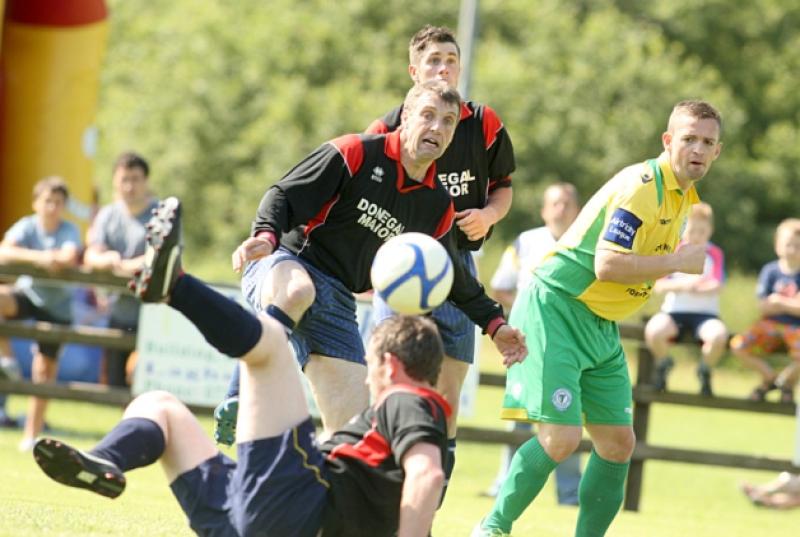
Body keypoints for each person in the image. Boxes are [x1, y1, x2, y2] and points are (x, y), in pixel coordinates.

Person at [34, 198, 451, 536]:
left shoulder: (409, 398)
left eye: (372, 363)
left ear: (391, 365)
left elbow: (428, 475)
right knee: (159, 408)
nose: (366, 374)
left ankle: (175, 286)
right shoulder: (387, 443)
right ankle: (106, 459)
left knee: (270, 342)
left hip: (297, 507)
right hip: (261, 519)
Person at [217, 81, 526, 446]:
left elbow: (455, 278)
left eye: (448, 122)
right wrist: (266, 236)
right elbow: (283, 194)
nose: (437, 128)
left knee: (353, 435)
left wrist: (494, 324)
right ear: (405, 118)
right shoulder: (356, 152)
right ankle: (240, 395)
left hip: (336, 299)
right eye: (427, 116)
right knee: (299, 290)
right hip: (286, 261)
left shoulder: (436, 206)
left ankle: (303, 487)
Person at [472, 100, 724, 537]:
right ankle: (491, 529)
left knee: (617, 444)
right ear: (668, 141)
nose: (697, 149)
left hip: (598, 322)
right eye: (689, 139)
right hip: (558, 308)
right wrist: (676, 262)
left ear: (717, 151)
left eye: (707, 142)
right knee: (561, 440)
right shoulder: (643, 185)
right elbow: (607, 264)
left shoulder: (685, 196)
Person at [366, 24, 516, 500]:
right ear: (414, 72)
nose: (443, 68)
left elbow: (504, 187)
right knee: (389, 385)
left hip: (458, 268)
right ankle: (378, 493)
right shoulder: (386, 126)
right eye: (433, 61)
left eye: (451, 60)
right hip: (400, 268)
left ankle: (427, 505)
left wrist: (489, 214)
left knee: (447, 399)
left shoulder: (482, 122)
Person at [483, 182, 582, 504]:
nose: (561, 209)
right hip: (526, 343)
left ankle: (569, 494)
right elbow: (500, 286)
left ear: (577, 210)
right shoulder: (525, 241)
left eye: (567, 203)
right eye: (554, 203)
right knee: (520, 418)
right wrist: (529, 309)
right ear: (543, 210)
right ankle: (504, 486)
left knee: (564, 415)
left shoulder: (586, 243)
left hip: (568, 344)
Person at [0, 177, 81, 451]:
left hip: (57, 308)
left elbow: (68, 256)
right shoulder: (26, 225)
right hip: (28, 295)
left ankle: (30, 435)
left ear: (64, 206)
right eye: (47, 201)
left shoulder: (69, 229)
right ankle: (6, 359)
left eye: (58, 202)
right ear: (36, 203)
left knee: (43, 372)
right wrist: (41, 259)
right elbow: (4, 250)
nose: (52, 207)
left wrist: (48, 258)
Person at [84, 152, 159, 387]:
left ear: (146, 181)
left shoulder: (162, 213)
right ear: (115, 182)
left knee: (147, 383)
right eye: (124, 179)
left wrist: (119, 264)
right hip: (117, 313)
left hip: (154, 313)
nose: (129, 186)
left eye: (135, 179)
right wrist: (107, 259)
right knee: (114, 384)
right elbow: (91, 254)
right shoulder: (108, 215)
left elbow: (159, 257)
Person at [646, 202, 729, 396]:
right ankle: (664, 363)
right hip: (674, 312)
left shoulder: (714, 253)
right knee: (653, 331)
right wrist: (685, 286)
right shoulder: (673, 250)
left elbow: (717, 284)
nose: (697, 235)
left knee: (718, 336)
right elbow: (659, 285)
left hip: (705, 314)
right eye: (692, 230)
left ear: (710, 230)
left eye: (702, 230)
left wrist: (700, 289)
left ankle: (704, 369)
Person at [731, 218, 800, 403]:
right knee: (739, 345)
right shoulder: (770, 271)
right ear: (778, 246)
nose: (793, 250)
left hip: (796, 328)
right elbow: (763, 306)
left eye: (798, 246)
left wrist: (779, 301)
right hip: (769, 324)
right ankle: (770, 378)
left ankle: (785, 382)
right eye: (789, 245)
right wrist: (791, 304)